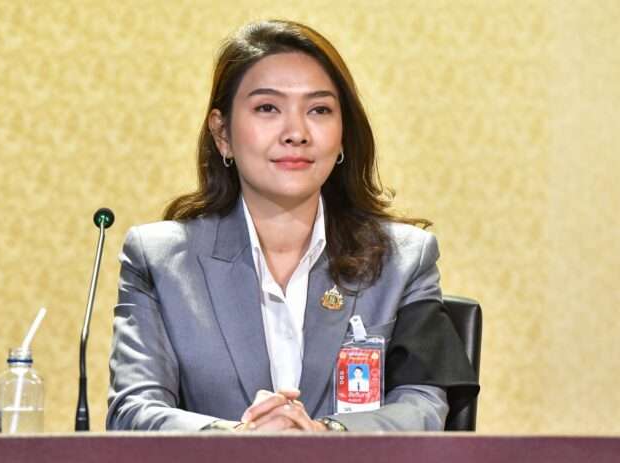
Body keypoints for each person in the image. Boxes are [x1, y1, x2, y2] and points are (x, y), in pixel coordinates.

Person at [107, 19, 478, 432]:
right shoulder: (159, 261)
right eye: (268, 108)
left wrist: (326, 435)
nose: (297, 133)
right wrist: (236, 440)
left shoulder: (404, 260)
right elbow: (133, 411)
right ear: (222, 132)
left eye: (319, 110)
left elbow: (423, 406)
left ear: (343, 135)